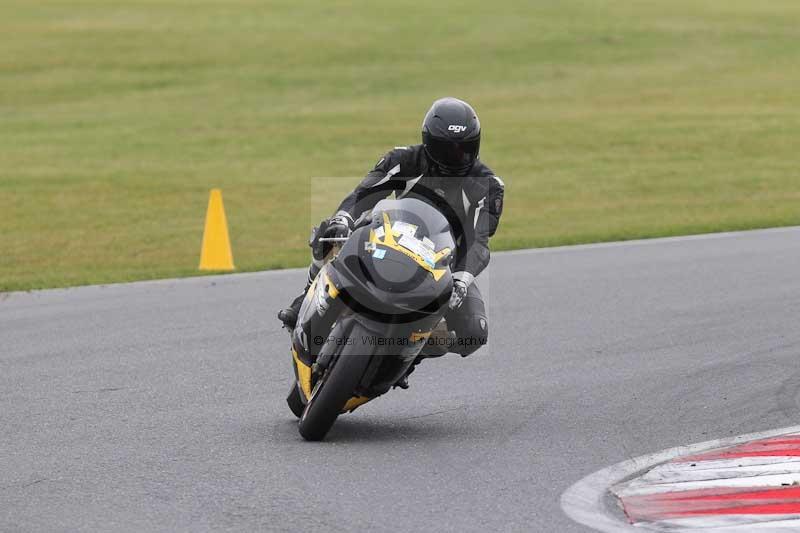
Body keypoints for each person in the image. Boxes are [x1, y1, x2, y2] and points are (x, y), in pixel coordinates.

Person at [278, 97, 504, 374]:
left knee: (474, 333)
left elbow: (480, 241)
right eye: (446, 149)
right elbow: (363, 194)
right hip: (387, 239)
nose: (456, 157)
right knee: (331, 231)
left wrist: (462, 279)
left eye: (464, 149)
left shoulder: (489, 185)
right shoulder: (403, 160)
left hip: (443, 268)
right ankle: (306, 297)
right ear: (428, 142)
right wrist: (343, 218)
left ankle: (406, 355)